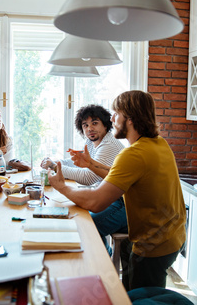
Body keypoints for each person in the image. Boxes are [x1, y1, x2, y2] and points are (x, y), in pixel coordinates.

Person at [48, 91, 186, 291]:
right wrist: (91, 164)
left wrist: (61, 186)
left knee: (142, 298)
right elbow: (121, 176)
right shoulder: (157, 143)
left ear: (129, 118)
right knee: (130, 293)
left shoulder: (133, 153)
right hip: (173, 234)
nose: (112, 119)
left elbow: (96, 202)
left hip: (154, 244)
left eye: (116, 113)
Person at [41, 105, 126, 254]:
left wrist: (55, 167)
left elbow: (89, 177)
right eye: (85, 125)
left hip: (122, 202)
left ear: (106, 124)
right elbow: (76, 161)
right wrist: (56, 162)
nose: (89, 129)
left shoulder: (108, 145)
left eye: (94, 123)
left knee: (88, 225)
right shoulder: (92, 142)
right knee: (77, 216)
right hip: (109, 195)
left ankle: (104, 260)